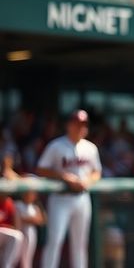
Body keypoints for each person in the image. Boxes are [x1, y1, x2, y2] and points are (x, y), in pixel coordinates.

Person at [36, 109, 102, 268]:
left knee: (80, 244)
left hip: (82, 198)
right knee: (55, 241)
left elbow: (97, 172)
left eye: (84, 124)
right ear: (69, 125)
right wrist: (64, 177)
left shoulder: (90, 148)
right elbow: (41, 169)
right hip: (60, 198)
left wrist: (87, 181)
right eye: (78, 123)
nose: (81, 127)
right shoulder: (56, 145)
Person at [14, 188, 46, 268]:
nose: (29, 196)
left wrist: (27, 219)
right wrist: (30, 219)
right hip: (19, 233)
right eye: (27, 193)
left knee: (27, 258)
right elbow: (17, 220)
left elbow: (41, 220)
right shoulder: (17, 204)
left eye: (32, 194)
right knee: (15, 256)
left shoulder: (35, 207)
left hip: (31, 234)